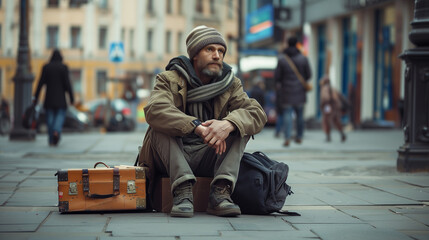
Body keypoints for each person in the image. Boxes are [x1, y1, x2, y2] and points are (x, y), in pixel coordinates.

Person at [138, 26, 267, 218]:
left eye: (221, 51)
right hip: (172, 154)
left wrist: (228, 124)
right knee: (158, 126)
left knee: (241, 126)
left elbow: (256, 113)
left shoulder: (230, 83)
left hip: (209, 153)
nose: (217, 55)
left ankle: (220, 193)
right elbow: (155, 110)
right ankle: (182, 190)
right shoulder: (168, 79)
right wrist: (196, 126)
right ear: (195, 55)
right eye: (210, 49)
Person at [274, 36, 312, 146]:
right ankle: (299, 136)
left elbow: (277, 77)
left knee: (287, 114)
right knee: (300, 115)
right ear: (296, 44)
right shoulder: (303, 58)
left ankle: (287, 137)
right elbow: (309, 75)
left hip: (286, 92)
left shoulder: (282, 59)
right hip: (300, 92)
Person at [34, 49, 74, 146]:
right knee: (59, 117)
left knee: (50, 119)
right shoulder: (63, 68)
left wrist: (36, 97)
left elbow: (40, 83)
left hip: (49, 99)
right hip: (61, 100)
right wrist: (72, 98)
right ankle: (56, 131)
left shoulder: (46, 67)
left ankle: (51, 139)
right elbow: (68, 84)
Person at [319, 75, 347, 142]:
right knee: (336, 121)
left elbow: (326, 98)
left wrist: (322, 105)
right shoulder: (332, 88)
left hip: (329, 107)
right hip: (335, 107)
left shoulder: (325, 88)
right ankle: (342, 134)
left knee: (327, 121)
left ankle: (328, 137)